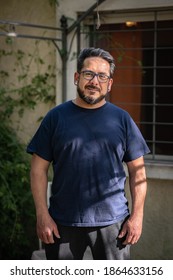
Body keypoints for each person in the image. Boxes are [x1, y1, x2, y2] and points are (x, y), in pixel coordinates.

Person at [27, 47, 150, 260]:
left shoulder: (122, 120)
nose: (95, 81)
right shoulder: (55, 118)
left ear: (109, 83)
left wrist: (137, 217)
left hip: (113, 224)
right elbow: (38, 170)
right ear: (77, 77)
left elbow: (138, 174)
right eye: (88, 74)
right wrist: (42, 215)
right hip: (62, 223)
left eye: (102, 76)